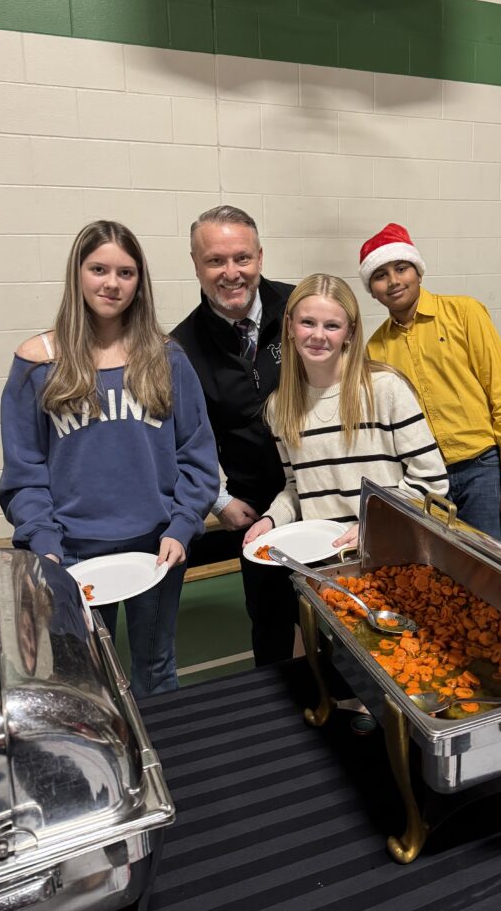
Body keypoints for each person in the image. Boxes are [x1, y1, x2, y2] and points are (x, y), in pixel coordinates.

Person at [0, 220, 219, 698]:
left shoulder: (166, 358)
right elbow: (24, 472)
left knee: (156, 670)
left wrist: (182, 526)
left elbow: (197, 457)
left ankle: (167, 765)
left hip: (156, 546)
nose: (112, 284)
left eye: (126, 272)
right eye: (99, 269)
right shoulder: (38, 362)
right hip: (70, 551)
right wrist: (44, 543)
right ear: (77, 273)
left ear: (140, 282)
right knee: (82, 680)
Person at [242, 273, 450, 551]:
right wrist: (272, 519)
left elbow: (431, 481)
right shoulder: (280, 406)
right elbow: (297, 486)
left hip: (388, 551)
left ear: (350, 333)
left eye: (332, 325)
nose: (318, 335)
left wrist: (373, 524)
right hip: (324, 559)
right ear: (290, 327)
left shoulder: (385, 389)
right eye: (307, 323)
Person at [171, 205, 296, 666]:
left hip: (326, 491)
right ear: (196, 265)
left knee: (340, 612)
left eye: (242, 258)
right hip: (255, 504)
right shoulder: (181, 347)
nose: (231, 273)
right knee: (271, 619)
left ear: (260, 257)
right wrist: (217, 501)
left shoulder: (301, 310)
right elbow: (179, 441)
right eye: (215, 261)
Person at [360, 223, 501, 542]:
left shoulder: (465, 312)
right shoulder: (376, 348)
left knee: (489, 570)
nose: (394, 281)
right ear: (372, 289)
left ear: (418, 272)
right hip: (425, 479)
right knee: (441, 573)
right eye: (381, 275)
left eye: (401, 268)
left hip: (482, 469)